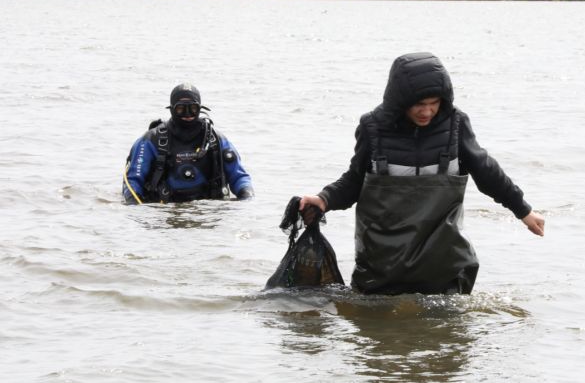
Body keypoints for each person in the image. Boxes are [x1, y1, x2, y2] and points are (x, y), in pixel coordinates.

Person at [299, 52, 544, 295]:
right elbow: (354, 181)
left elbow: (487, 171)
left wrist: (522, 210)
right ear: (400, 101)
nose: (427, 112)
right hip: (382, 266)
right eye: (419, 104)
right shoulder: (372, 128)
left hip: (444, 263)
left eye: (434, 103)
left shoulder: (456, 125)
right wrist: (324, 199)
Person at [122, 83, 254, 204]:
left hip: (208, 215)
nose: (187, 114)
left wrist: (247, 197)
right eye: (181, 109)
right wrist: (136, 207)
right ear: (172, 109)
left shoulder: (215, 140)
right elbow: (132, 182)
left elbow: (239, 177)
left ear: (200, 109)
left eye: (193, 108)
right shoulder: (151, 140)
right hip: (164, 214)